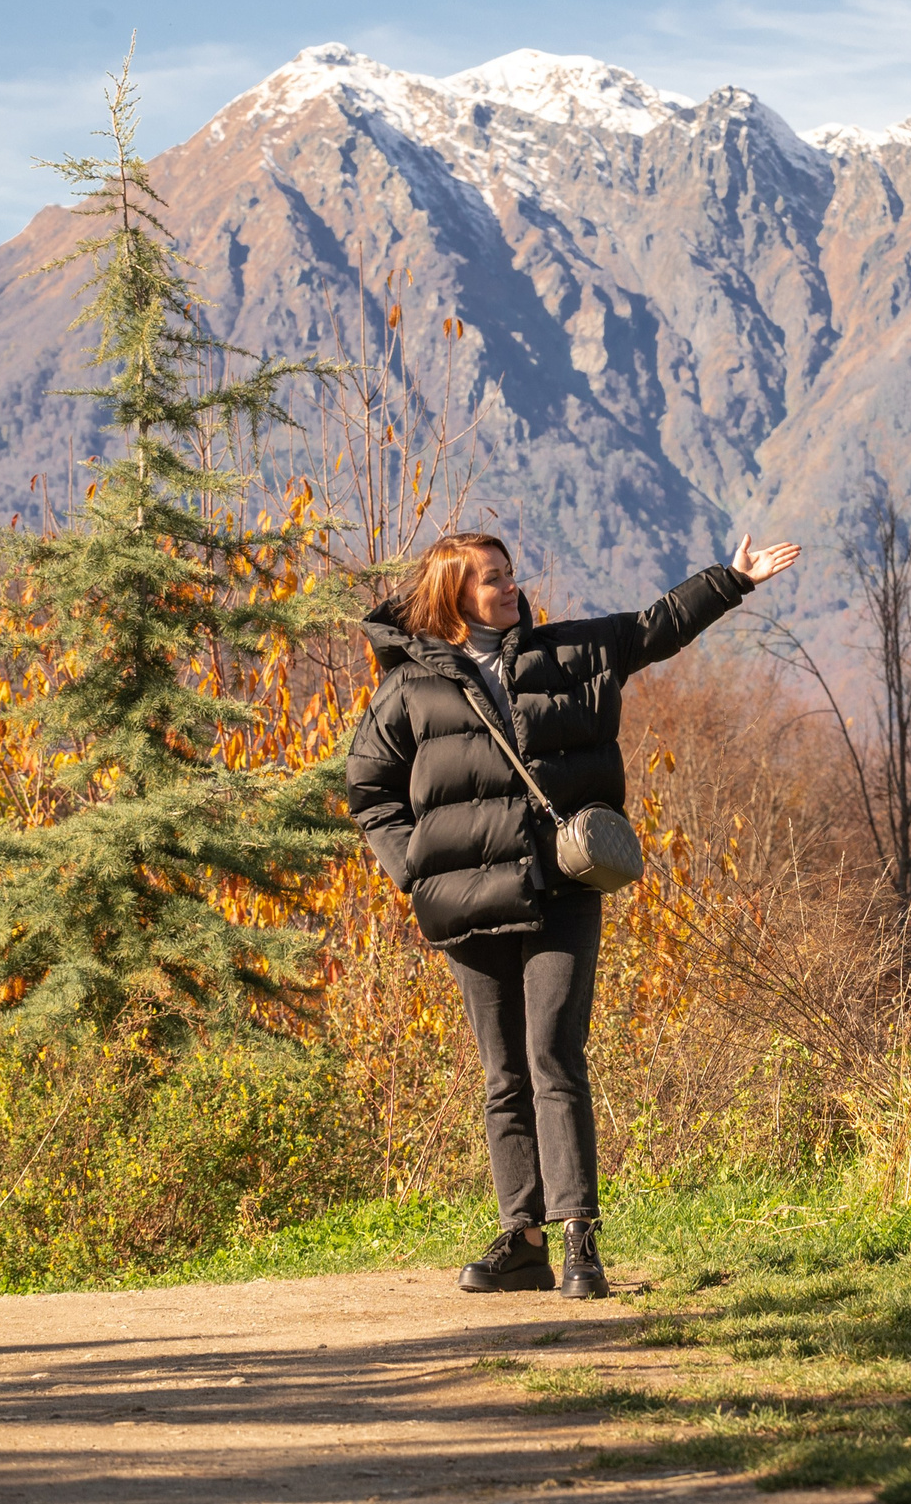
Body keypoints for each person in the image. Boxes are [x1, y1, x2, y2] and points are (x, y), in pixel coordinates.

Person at [344, 530, 800, 1298]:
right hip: (466, 904)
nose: (511, 588)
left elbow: (651, 630)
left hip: (559, 890)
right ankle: (523, 1241)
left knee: (554, 1053)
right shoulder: (407, 689)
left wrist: (732, 578)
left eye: (511, 574)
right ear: (457, 594)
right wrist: (414, 868)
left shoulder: (568, 653)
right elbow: (370, 792)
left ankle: (580, 1234)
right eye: (493, 580)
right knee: (503, 1073)